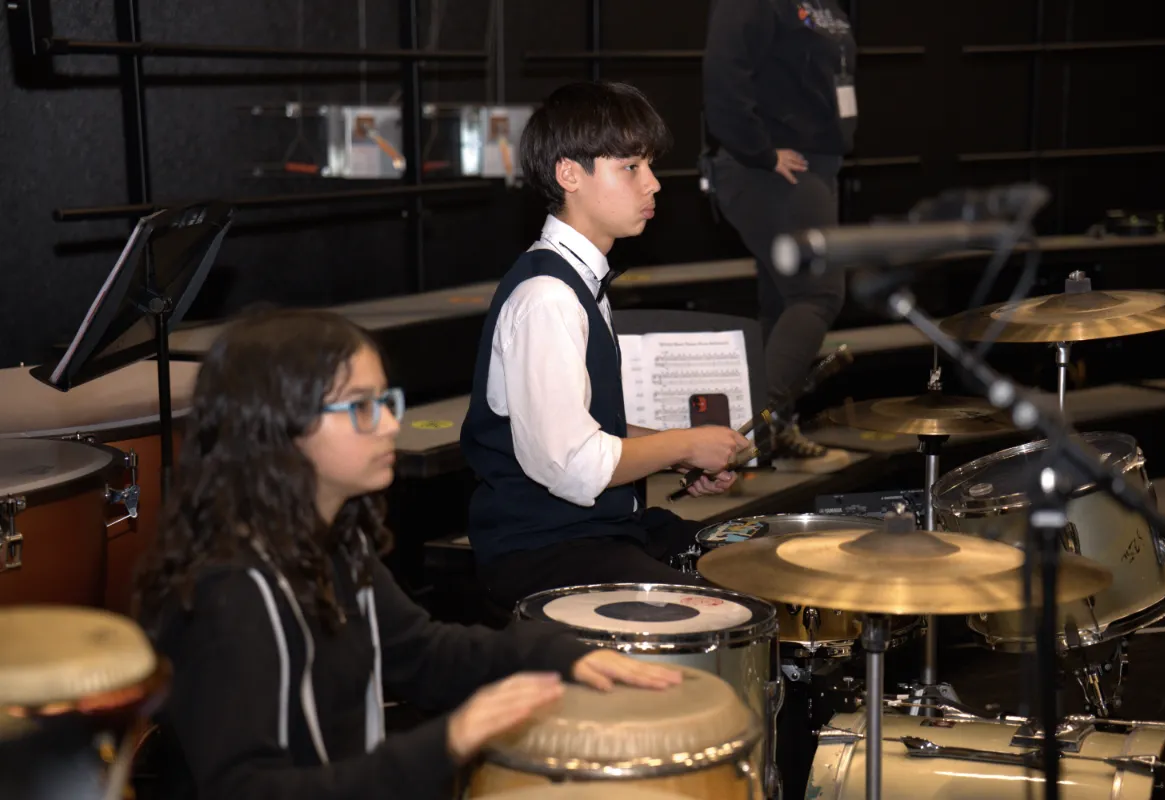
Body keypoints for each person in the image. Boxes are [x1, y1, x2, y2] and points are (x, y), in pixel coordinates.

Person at [134, 309, 681, 800]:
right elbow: (247, 790)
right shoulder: (228, 592)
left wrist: (555, 653)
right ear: (279, 426)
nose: (392, 425)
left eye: (385, 401)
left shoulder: (335, 545)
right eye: (362, 407)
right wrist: (449, 740)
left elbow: (421, 653)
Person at [460, 81, 750, 611]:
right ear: (569, 174)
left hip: (599, 530)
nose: (653, 184)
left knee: (757, 558)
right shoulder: (547, 297)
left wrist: (683, 453)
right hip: (544, 550)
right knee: (725, 612)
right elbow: (574, 464)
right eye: (631, 167)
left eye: (650, 165)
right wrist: (684, 445)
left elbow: (588, 427)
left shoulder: (579, 279)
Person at [703, 0, 856, 466]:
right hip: (773, 170)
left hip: (814, 166)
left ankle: (773, 436)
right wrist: (761, 151)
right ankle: (746, 437)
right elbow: (724, 74)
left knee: (781, 303)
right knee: (819, 294)